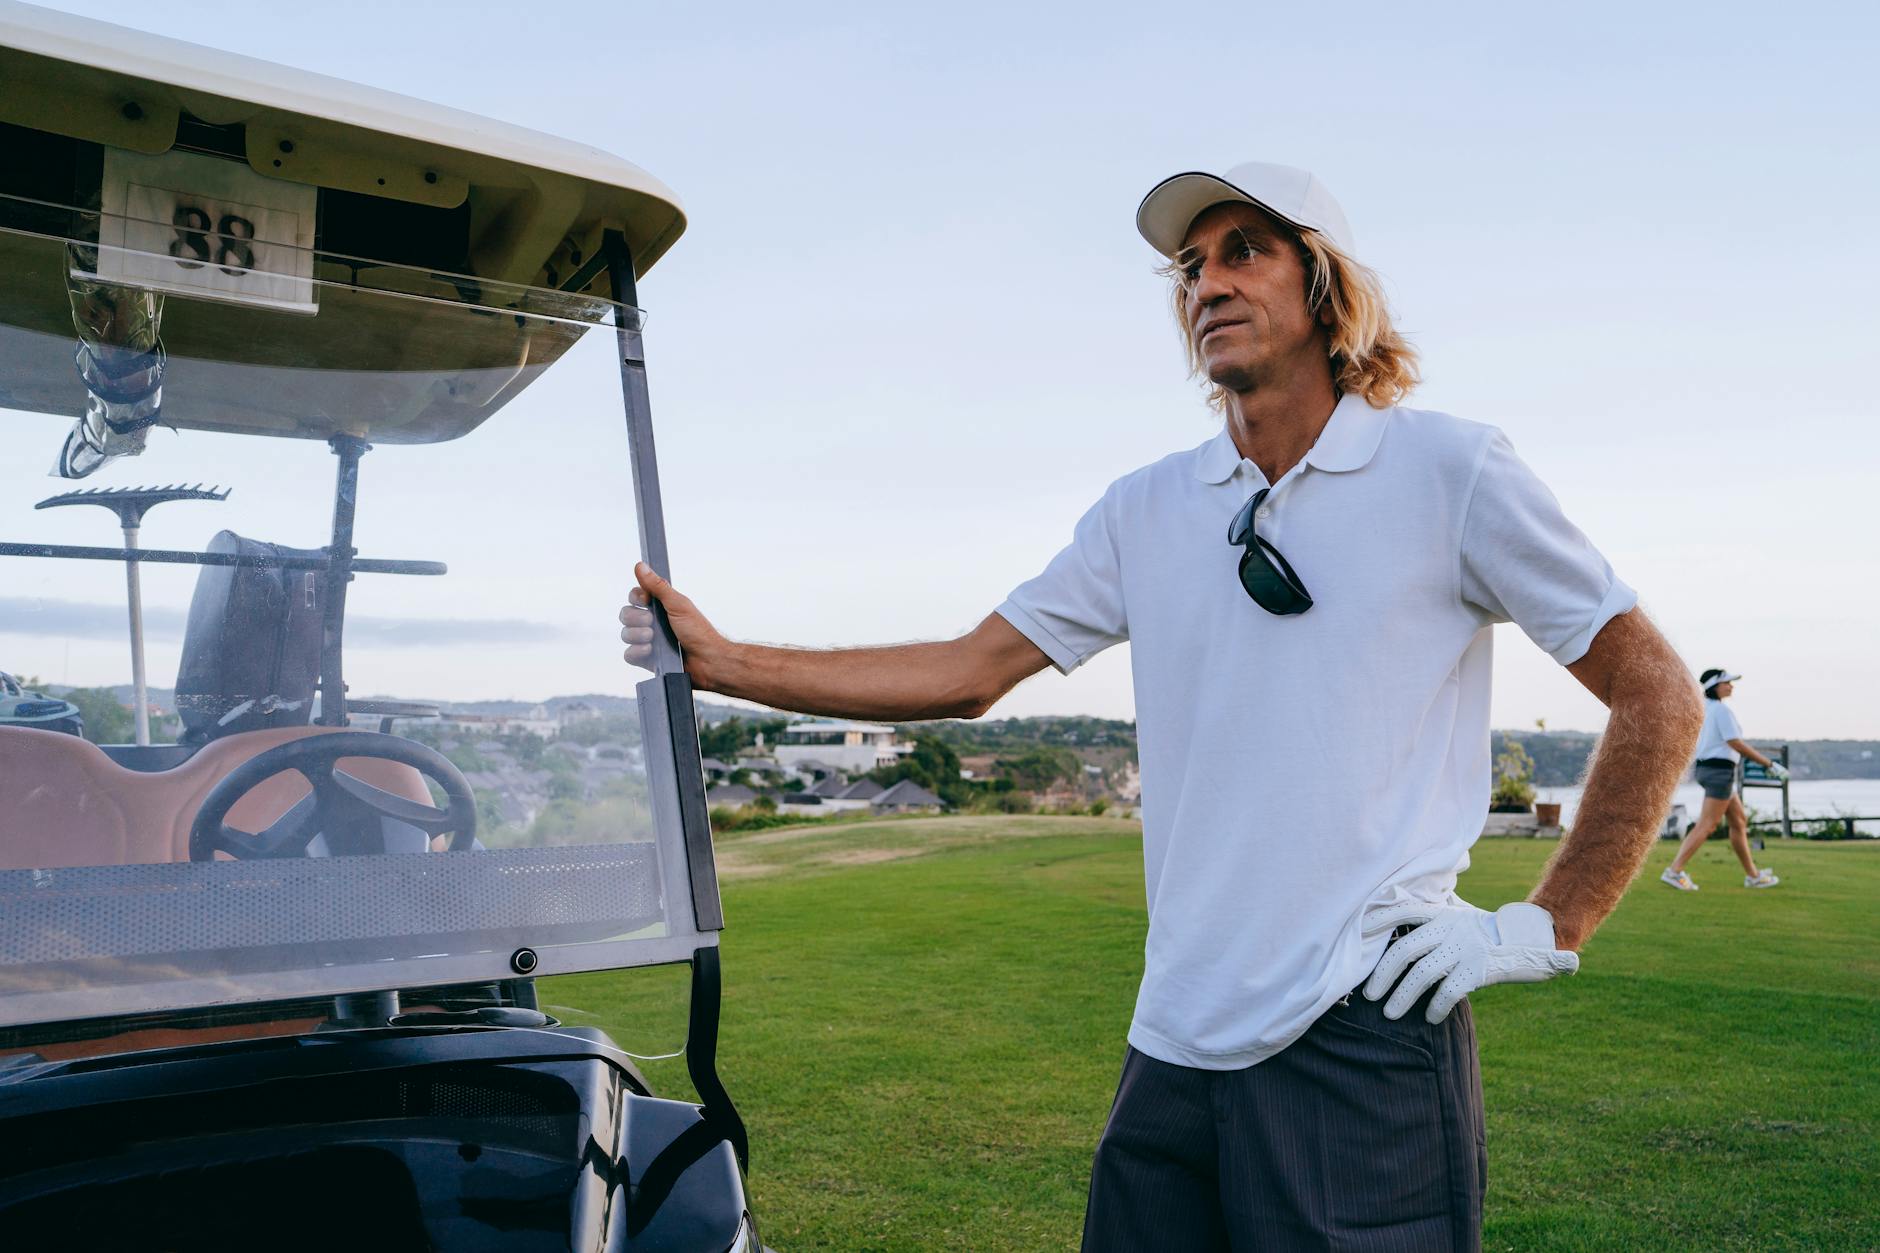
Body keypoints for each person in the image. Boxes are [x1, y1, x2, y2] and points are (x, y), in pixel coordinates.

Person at [619, 161, 1703, 1251]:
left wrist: (1542, 924)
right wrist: (720, 660)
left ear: (1325, 284)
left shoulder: (1448, 468)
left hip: (1360, 1033)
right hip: (1173, 1040)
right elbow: (966, 668)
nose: (1206, 284)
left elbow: (1656, 695)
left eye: (1243, 252)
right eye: (1188, 267)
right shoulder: (1145, 506)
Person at [1661, 669, 1786, 891]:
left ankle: (1753, 875)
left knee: (1738, 821)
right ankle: (1674, 871)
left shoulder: (1704, 709)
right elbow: (1735, 743)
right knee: (1707, 825)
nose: (1731, 686)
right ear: (1715, 686)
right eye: (1727, 683)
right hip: (1720, 772)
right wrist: (1769, 764)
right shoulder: (1721, 711)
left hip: (1709, 770)